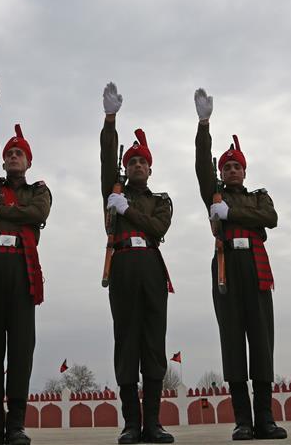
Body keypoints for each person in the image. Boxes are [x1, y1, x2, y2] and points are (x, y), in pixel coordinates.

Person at [193, 88, 286, 440]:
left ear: (244, 171)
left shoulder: (258, 197)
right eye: (226, 166)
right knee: (233, 342)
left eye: (236, 166)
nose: (231, 170)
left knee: (262, 342)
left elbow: (271, 217)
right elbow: (202, 167)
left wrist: (232, 212)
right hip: (227, 266)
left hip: (257, 266)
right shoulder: (214, 193)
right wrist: (204, 127)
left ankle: (266, 417)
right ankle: (243, 420)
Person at [0, 75, 50, 445]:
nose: (12, 156)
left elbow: (37, 214)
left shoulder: (38, 190)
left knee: (20, 347)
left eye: (19, 153)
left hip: (22, 269)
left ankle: (16, 423)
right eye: (9, 153)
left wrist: (1, 208)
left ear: (29, 160)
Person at [102, 82, 174, 444]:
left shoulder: (161, 200)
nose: (137, 165)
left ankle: (153, 424)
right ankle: (132, 423)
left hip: (150, 265)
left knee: (153, 343)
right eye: (132, 161)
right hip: (124, 267)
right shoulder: (113, 191)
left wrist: (127, 209)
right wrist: (110, 122)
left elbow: (158, 227)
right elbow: (105, 160)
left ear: (150, 167)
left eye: (142, 161)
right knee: (126, 341)